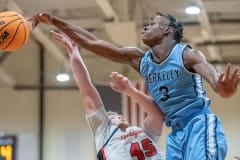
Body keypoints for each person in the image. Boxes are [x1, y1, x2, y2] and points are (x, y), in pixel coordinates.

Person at [31, 12, 240, 160]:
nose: (146, 27)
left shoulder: (187, 54)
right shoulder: (140, 60)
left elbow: (215, 81)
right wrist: (55, 21)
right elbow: (93, 43)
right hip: (175, 133)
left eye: (152, 23)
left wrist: (225, 89)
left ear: (167, 30)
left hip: (198, 123)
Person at [51, 30, 164, 160]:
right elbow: (87, 90)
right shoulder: (104, 132)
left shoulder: (143, 132)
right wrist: (73, 52)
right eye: (113, 116)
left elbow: (156, 115)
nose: (120, 115)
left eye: (119, 115)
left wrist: (131, 91)